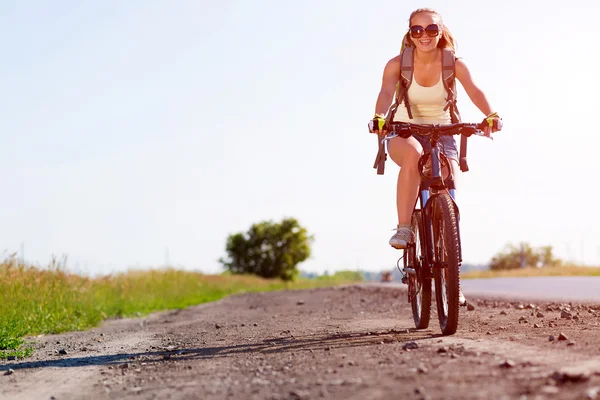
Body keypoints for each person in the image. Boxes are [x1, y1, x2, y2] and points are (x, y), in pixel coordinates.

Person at [368, 8, 502, 304]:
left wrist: (490, 115)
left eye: (431, 29)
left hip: (444, 130)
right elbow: (385, 93)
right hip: (403, 131)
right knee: (415, 157)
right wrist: (379, 118)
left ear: (440, 31)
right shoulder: (397, 64)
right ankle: (405, 228)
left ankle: (451, 279)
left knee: (449, 184)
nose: (424, 35)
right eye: (417, 30)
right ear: (410, 34)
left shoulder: (453, 63)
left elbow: (474, 91)